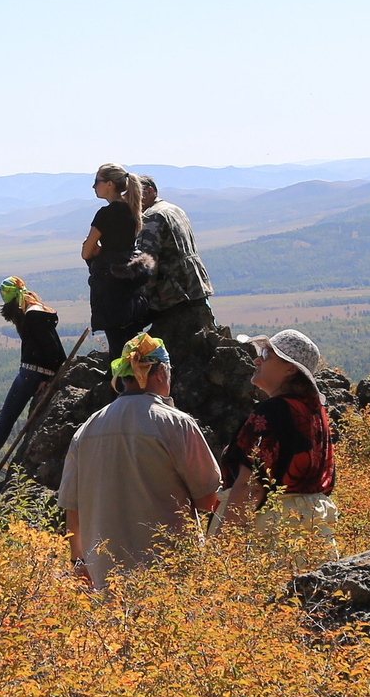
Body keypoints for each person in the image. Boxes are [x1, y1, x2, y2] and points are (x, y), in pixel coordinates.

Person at [57, 332, 221, 590]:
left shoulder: (87, 429)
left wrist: (78, 561)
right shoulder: (175, 424)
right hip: (168, 576)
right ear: (160, 373)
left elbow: (72, 509)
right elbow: (207, 501)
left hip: (106, 577)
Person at [217, 328, 336, 543]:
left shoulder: (272, 411)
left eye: (265, 355)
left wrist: (222, 544)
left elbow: (251, 486)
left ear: (289, 369)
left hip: (273, 531)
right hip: (315, 530)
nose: (256, 360)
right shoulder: (316, 413)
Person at [0, 276, 65, 463]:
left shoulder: (33, 315)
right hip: (34, 373)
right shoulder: (39, 310)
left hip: (30, 374)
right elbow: (53, 348)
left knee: (3, 423)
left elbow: (50, 349)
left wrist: (45, 375)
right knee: (3, 420)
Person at [81, 163, 151, 357]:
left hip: (111, 285)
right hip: (132, 280)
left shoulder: (106, 214)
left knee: (117, 347)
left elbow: (87, 251)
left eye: (97, 182)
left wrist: (98, 251)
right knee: (130, 342)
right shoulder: (131, 209)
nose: (94, 187)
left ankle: (118, 384)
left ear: (110, 184)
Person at [134, 176, 212, 330]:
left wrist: (142, 298)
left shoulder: (152, 217)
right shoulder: (175, 210)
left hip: (172, 293)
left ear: (150, 191)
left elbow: (148, 264)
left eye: (135, 195)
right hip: (194, 285)